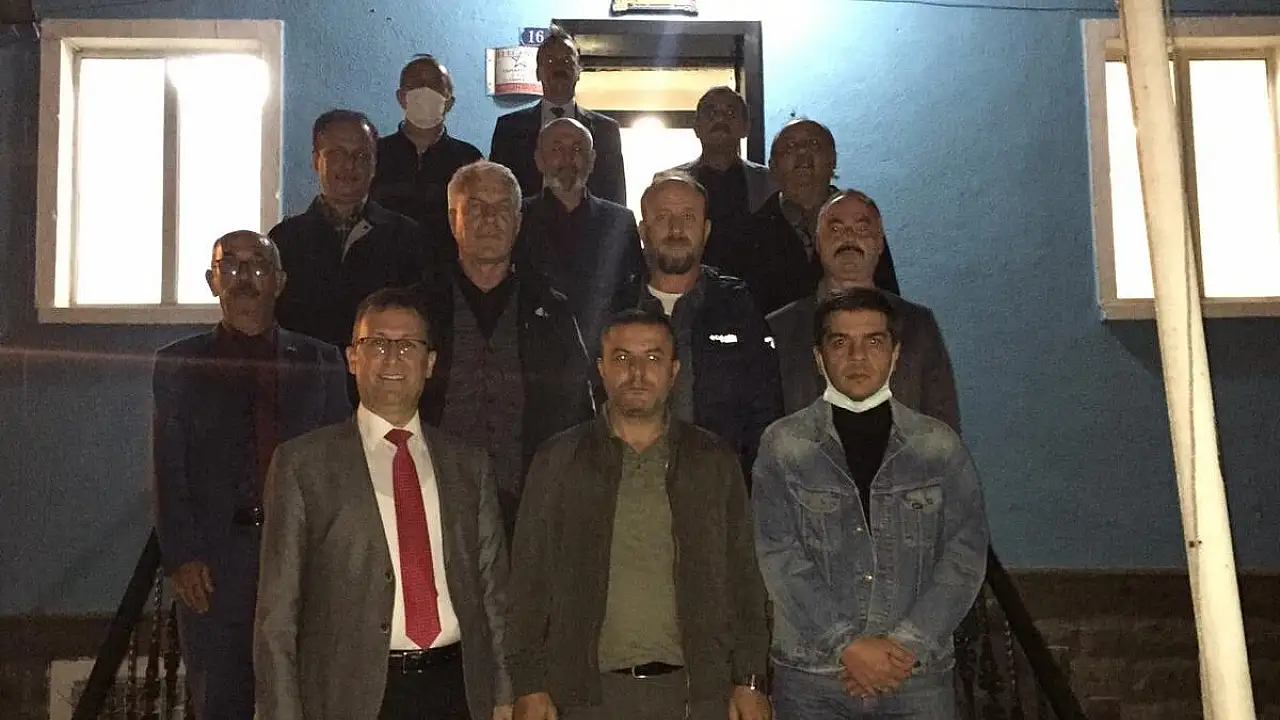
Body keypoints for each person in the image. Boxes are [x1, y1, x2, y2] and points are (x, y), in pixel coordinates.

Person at [255, 288, 511, 720]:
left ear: (430, 363)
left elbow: (494, 594)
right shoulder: (303, 466)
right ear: (353, 358)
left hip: (459, 690)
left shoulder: (469, 465)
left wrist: (505, 692)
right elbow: (277, 615)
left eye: (408, 345)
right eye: (377, 344)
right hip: (351, 696)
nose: (392, 357)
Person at [507, 309, 772, 720]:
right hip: (586, 697)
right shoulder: (558, 460)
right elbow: (528, 582)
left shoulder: (712, 460)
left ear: (674, 370)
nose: (637, 373)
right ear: (601, 369)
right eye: (622, 358)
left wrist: (751, 679)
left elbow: (744, 578)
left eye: (652, 358)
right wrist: (528, 683)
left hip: (698, 694)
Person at [753, 290, 989, 720]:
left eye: (874, 342)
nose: (857, 356)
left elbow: (964, 555)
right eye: (840, 342)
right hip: (813, 678)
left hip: (914, 677)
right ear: (819, 358)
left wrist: (904, 646)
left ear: (895, 355)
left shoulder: (938, 447)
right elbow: (778, 556)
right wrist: (847, 645)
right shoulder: (783, 446)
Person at [152, 231, 349, 719]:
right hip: (215, 565)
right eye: (231, 266)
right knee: (222, 701)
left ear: (279, 281)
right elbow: (169, 466)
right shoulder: (179, 364)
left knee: (305, 698)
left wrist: (335, 556)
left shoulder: (321, 360)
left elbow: (340, 466)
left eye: (258, 265)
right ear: (211, 280)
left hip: (300, 557)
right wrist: (183, 555)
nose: (244, 277)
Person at [418, 160, 595, 534]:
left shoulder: (552, 311)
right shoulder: (419, 309)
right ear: (452, 219)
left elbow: (577, 409)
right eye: (476, 207)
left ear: (518, 221)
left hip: (532, 508)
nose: (490, 219)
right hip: (432, 503)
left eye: (502, 208)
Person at [611, 171, 782, 480]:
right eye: (663, 217)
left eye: (688, 217)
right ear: (643, 230)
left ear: (706, 230)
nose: (676, 229)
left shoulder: (737, 306)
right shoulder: (616, 306)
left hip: (718, 487)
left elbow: (765, 412)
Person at [768, 190, 959, 428]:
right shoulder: (779, 329)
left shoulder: (917, 325)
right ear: (817, 243)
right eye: (835, 229)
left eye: (861, 229)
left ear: (879, 244)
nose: (848, 237)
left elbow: (943, 422)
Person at [272, 109, 436, 349]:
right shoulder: (284, 240)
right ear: (316, 160)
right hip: (305, 370)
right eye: (337, 154)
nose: (350, 165)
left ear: (375, 163)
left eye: (361, 155)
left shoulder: (407, 237)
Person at [731, 119, 899, 315]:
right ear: (772, 166)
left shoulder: (862, 223)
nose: (802, 152)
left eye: (814, 144)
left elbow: (888, 298)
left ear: (833, 159)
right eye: (790, 146)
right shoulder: (750, 232)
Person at [514, 118, 642, 346]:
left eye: (577, 149)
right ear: (539, 160)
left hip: (605, 351)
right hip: (533, 349)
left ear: (592, 160)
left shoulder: (620, 222)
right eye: (557, 149)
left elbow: (632, 296)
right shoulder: (517, 218)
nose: (567, 159)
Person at [489, 25, 626, 204]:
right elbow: (497, 189)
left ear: (578, 72)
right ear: (538, 72)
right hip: (528, 221)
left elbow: (616, 195)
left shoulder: (606, 130)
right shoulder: (509, 128)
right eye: (550, 60)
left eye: (567, 60)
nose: (559, 67)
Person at [372, 54, 484, 259]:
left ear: (449, 101)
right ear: (401, 97)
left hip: (448, 270)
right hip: (380, 267)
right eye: (416, 83)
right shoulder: (374, 154)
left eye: (435, 85)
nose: (425, 89)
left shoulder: (468, 159)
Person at [666, 86, 776, 272]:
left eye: (730, 113)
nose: (720, 119)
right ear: (696, 127)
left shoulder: (770, 182)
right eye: (711, 113)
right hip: (690, 283)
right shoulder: (671, 183)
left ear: (746, 127)